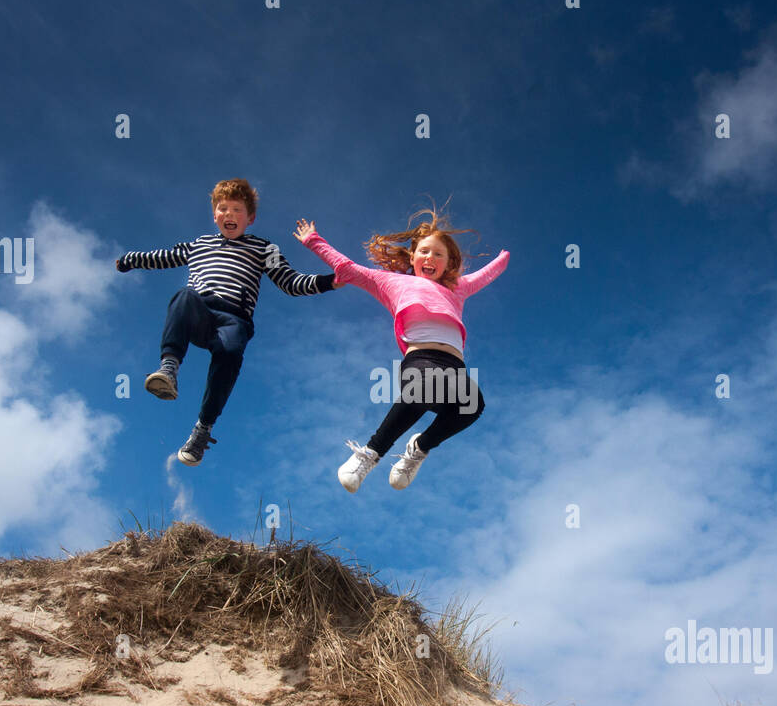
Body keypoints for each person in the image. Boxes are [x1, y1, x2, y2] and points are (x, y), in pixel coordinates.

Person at [116, 178, 337, 465]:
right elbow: (164, 257)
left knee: (231, 351)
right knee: (184, 296)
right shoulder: (200, 244)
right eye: (223, 209)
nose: (229, 215)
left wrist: (329, 281)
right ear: (214, 215)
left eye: (237, 209)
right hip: (200, 312)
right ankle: (169, 368)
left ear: (250, 218)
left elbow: (290, 282)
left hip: (234, 318)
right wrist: (130, 259)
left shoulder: (263, 248)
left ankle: (202, 429)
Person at [294, 209, 509, 490]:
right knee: (426, 386)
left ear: (449, 262)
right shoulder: (394, 282)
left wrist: (504, 257)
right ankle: (370, 453)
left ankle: (418, 449)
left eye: (438, 254)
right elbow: (348, 268)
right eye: (424, 252)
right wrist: (313, 240)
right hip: (421, 359)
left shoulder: (456, 288)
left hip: (454, 367)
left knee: (472, 406)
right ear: (412, 257)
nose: (430, 258)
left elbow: (485, 275)